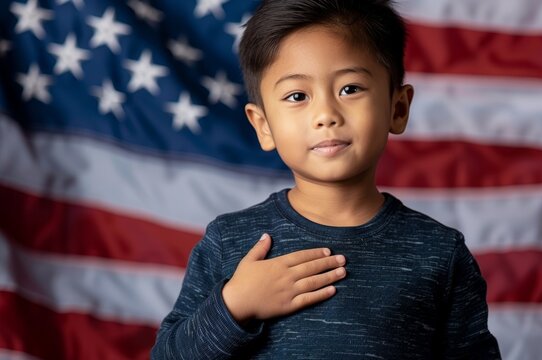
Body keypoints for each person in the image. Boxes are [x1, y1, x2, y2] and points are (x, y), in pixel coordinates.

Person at [151, 0, 501, 358]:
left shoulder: (439, 252)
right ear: (264, 126)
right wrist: (234, 305)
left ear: (398, 109)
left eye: (350, 89)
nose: (325, 114)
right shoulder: (230, 241)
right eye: (297, 96)